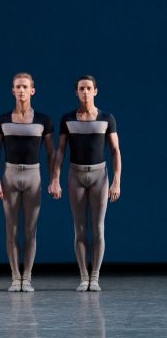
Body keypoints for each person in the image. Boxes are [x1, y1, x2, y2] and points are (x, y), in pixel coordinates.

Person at [49, 75, 121, 291]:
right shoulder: (68, 119)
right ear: (76, 92)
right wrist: (55, 179)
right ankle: (83, 277)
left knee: (98, 228)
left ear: (95, 91)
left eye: (89, 88)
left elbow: (115, 151)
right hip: (76, 175)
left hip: (100, 176)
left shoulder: (107, 118)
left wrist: (116, 181)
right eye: (81, 89)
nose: (85, 92)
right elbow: (60, 151)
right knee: (80, 229)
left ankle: (95, 277)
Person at [0, 73, 54, 292]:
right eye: (18, 87)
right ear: (13, 91)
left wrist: (54, 180)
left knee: (30, 230)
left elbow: (51, 154)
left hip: (34, 176)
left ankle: (27, 278)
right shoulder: (2, 121)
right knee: (12, 229)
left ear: (32, 90)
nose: (22, 90)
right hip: (10, 176)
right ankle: (15, 277)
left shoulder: (43, 121)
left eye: (25, 87)